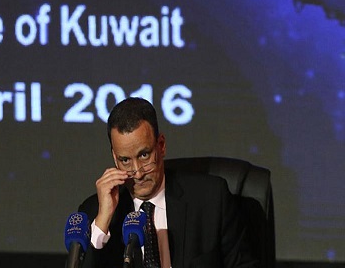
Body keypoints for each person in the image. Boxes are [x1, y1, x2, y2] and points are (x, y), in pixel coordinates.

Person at [78, 97, 258, 268]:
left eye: (144, 155)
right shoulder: (95, 212)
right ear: (114, 157)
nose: (138, 173)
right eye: (125, 160)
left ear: (161, 145)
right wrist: (102, 223)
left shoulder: (211, 199)